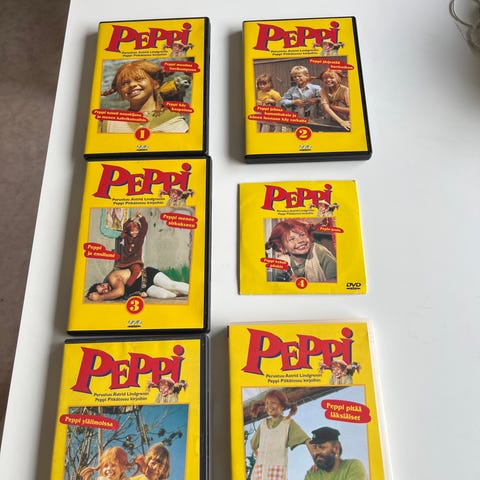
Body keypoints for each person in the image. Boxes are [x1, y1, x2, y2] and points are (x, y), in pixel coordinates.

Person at [100, 60, 188, 133]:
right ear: (120, 91)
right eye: (125, 83)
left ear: (155, 83)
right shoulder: (111, 123)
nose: (132, 85)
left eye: (139, 79)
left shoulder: (174, 119)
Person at [250, 389, 312, 480]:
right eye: (267, 403)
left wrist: (317, 461)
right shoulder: (263, 424)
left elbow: (307, 440)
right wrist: (260, 459)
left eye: (273, 402)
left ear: (282, 406)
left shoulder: (287, 424)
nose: (269, 406)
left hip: (277, 472)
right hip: (259, 472)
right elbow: (253, 445)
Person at [265, 219, 337, 282]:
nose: (300, 240)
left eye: (302, 235)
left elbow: (335, 281)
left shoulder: (319, 251)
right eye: (292, 239)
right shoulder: (282, 262)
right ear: (282, 248)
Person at [87, 266, 189, 301]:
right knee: (165, 295)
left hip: (149, 275)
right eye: (103, 291)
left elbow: (120, 291)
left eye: (102, 285)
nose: (105, 288)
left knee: (171, 285)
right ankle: (183, 292)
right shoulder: (112, 295)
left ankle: (195, 291)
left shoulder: (112, 277)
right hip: (146, 288)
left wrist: (100, 297)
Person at [116, 213, 147, 287]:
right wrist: (133, 217)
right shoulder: (126, 237)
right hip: (125, 261)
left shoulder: (140, 237)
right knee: (117, 272)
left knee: (137, 269)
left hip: (135, 261)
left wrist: (141, 217)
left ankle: (128, 286)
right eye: (132, 231)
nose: (134, 233)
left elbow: (145, 226)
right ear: (129, 231)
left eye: (136, 231)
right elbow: (125, 226)